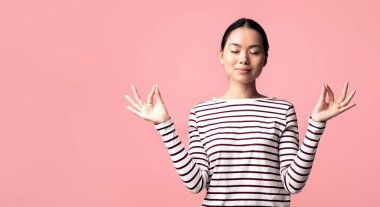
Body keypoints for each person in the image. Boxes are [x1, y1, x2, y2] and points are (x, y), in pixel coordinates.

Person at [124, 18, 356, 207]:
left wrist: (316, 125)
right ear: (221, 55)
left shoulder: (282, 110)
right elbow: (195, 184)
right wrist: (164, 126)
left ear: (265, 58)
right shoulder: (201, 113)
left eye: (254, 51)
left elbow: (292, 184)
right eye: (234, 50)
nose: (244, 59)